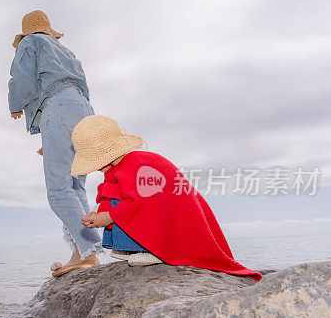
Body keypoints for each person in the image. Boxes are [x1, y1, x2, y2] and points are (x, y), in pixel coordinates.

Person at [70, 115, 262, 281]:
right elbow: (111, 194)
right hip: (153, 209)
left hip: (168, 218)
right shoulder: (116, 168)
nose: (94, 166)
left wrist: (107, 217)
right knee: (117, 202)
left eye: (93, 160)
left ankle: (150, 249)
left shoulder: (138, 164)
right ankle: (129, 246)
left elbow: (144, 203)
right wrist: (97, 214)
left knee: (129, 206)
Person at [8, 10, 102, 277]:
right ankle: (83, 252)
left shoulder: (30, 43)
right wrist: (52, 136)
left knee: (59, 191)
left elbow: (22, 77)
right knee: (76, 186)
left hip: (58, 107)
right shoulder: (66, 51)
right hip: (84, 108)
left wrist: (15, 105)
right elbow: (80, 89)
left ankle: (88, 252)